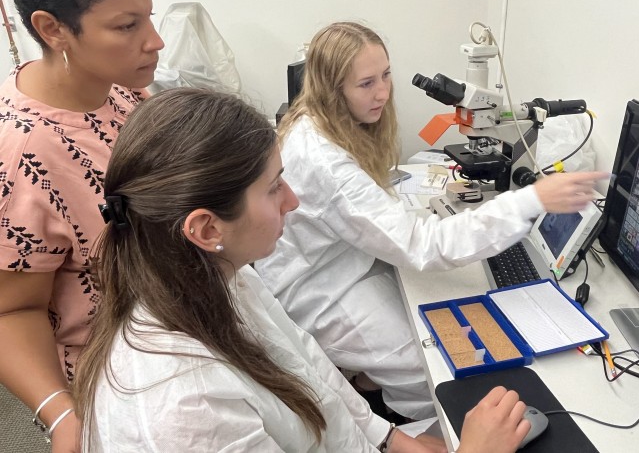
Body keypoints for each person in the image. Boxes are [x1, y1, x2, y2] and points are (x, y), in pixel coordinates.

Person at [73, 87, 532, 452]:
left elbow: (304, 363)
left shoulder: (222, 276)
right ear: (207, 227)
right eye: (274, 188)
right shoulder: (186, 410)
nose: (293, 201)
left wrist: (387, 438)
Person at [255, 21, 606, 420]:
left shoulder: (320, 122)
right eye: (366, 83)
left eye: (386, 75)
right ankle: (413, 426)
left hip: (341, 263)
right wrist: (531, 199)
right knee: (433, 365)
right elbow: (421, 246)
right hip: (320, 292)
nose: (383, 92)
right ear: (332, 90)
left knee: (436, 308)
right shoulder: (324, 160)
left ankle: (371, 380)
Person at [0, 0, 163, 451]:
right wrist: (62, 415)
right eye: (127, 26)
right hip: (118, 377)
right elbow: (13, 311)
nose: (154, 41)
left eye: (150, 18)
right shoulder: (23, 153)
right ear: (53, 29)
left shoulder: (127, 95)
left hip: (174, 326)